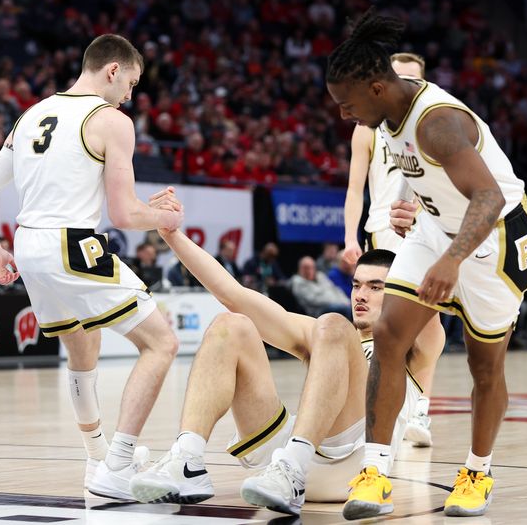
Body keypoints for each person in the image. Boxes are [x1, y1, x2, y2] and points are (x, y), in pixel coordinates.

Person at [327, 10, 527, 518]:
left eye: (346, 104)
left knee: (483, 365)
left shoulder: (437, 122)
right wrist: (414, 205)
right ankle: (375, 473)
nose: (342, 115)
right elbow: (434, 179)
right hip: (438, 229)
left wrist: (451, 258)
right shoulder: (385, 117)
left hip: (497, 236)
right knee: (389, 336)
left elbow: (487, 197)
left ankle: (477, 473)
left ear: (377, 88)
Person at [0, 34, 183, 500]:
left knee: (82, 349)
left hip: (28, 247)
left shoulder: (31, 114)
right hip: (72, 246)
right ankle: (120, 466)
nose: (130, 94)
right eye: (130, 82)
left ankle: (97, 461)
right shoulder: (111, 120)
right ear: (112, 71)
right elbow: (125, 215)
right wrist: (165, 217)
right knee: (162, 343)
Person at [129, 207, 439, 516]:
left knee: (332, 324)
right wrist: (172, 235)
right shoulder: (327, 335)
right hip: (278, 462)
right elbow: (233, 294)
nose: (360, 295)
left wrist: (418, 235)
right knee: (230, 324)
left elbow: (433, 293)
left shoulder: (413, 344)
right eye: (357, 285)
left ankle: (293, 465)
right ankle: (188, 459)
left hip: (351, 469)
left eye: (376, 287)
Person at [342, 51, 447, 449]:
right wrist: (351, 237)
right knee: (380, 330)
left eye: (411, 78)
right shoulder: (366, 128)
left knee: (428, 320)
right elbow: (354, 189)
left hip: (422, 235)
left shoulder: (433, 129)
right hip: (379, 236)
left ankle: (419, 405)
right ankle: (378, 407)